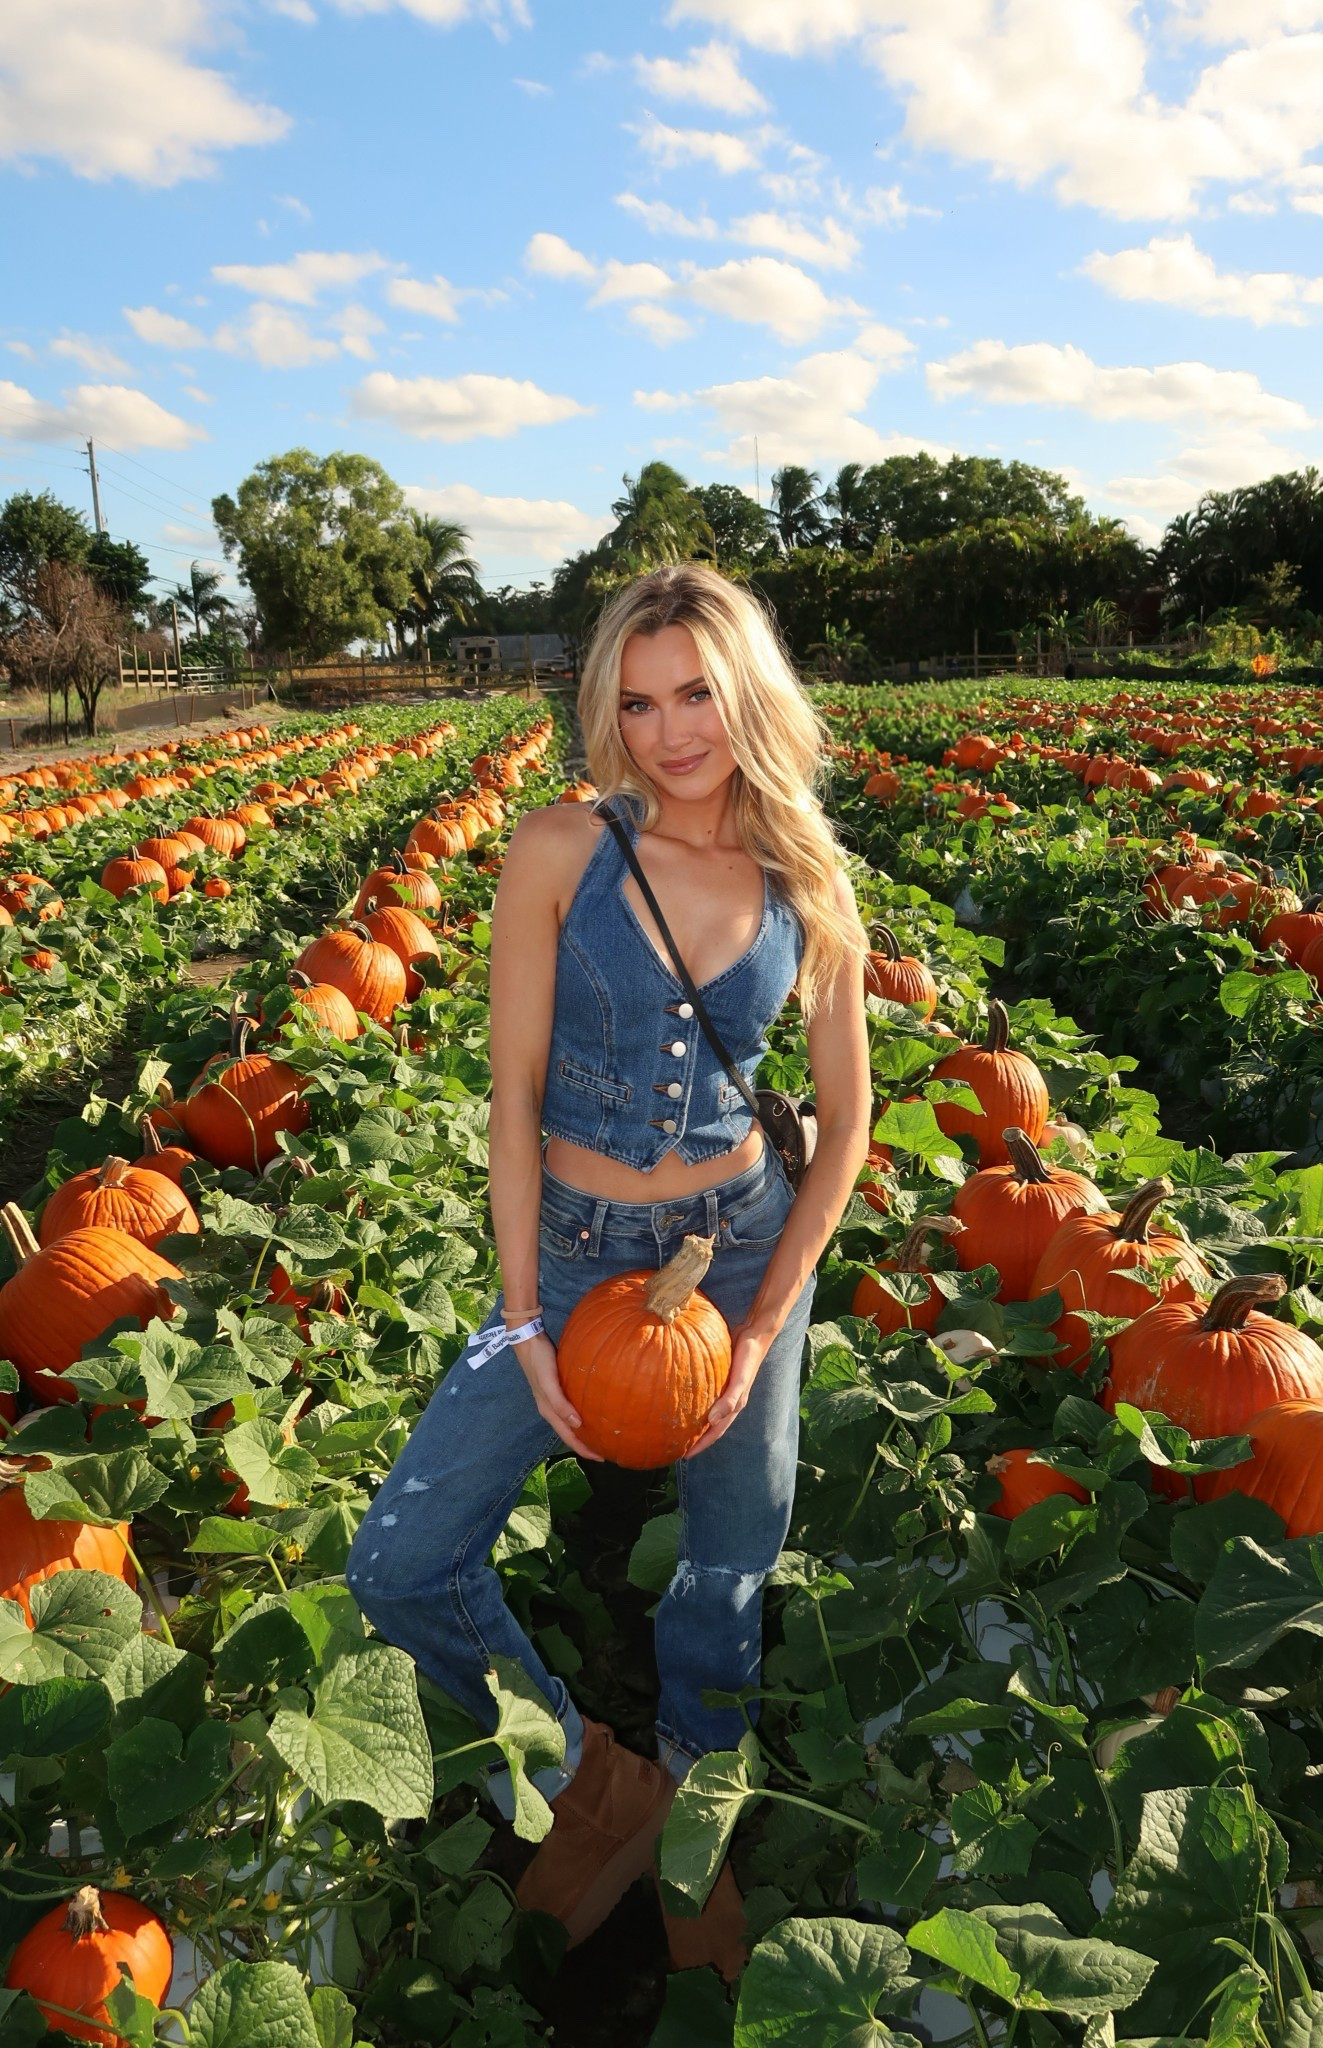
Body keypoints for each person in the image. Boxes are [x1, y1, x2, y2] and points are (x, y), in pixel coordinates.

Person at [347, 563, 872, 1979]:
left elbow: (846, 1124)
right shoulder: (559, 850)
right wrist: (522, 1315)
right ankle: (599, 1787)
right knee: (397, 1562)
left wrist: (761, 1335)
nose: (668, 730)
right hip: (572, 1252)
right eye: (637, 701)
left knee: (722, 1568)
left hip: (736, 1249)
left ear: (746, 692)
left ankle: (693, 1824)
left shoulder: (804, 877)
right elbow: (511, 1098)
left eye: (697, 692)